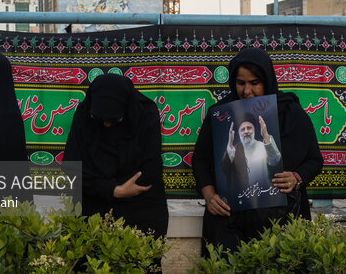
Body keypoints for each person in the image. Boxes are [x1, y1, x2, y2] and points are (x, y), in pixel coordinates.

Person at [192, 47, 323, 252]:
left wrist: (296, 177)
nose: (246, 91)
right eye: (240, 83)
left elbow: (314, 160)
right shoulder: (220, 115)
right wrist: (209, 197)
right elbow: (200, 160)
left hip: (280, 219)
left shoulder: (289, 112)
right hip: (229, 220)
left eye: (255, 83)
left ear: (268, 80)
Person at [63, 74, 168, 239]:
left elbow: (150, 170)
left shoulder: (145, 114)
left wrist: (99, 182)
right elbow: (71, 170)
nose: (106, 125)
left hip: (139, 206)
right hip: (92, 206)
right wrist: (113, 190)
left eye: (114, 120)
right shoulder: (85, 115)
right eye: (100, 119)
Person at [221, 112, 281, 193]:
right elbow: (225, 168)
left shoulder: (264, 145)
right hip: (244, 195)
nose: (246, 131)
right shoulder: (233, 150)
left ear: (254, 130)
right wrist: (230, 143)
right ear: (238, 133)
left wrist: (265, 135)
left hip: (265, 192)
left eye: (249, 128)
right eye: (242, 129)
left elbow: (275, 161)